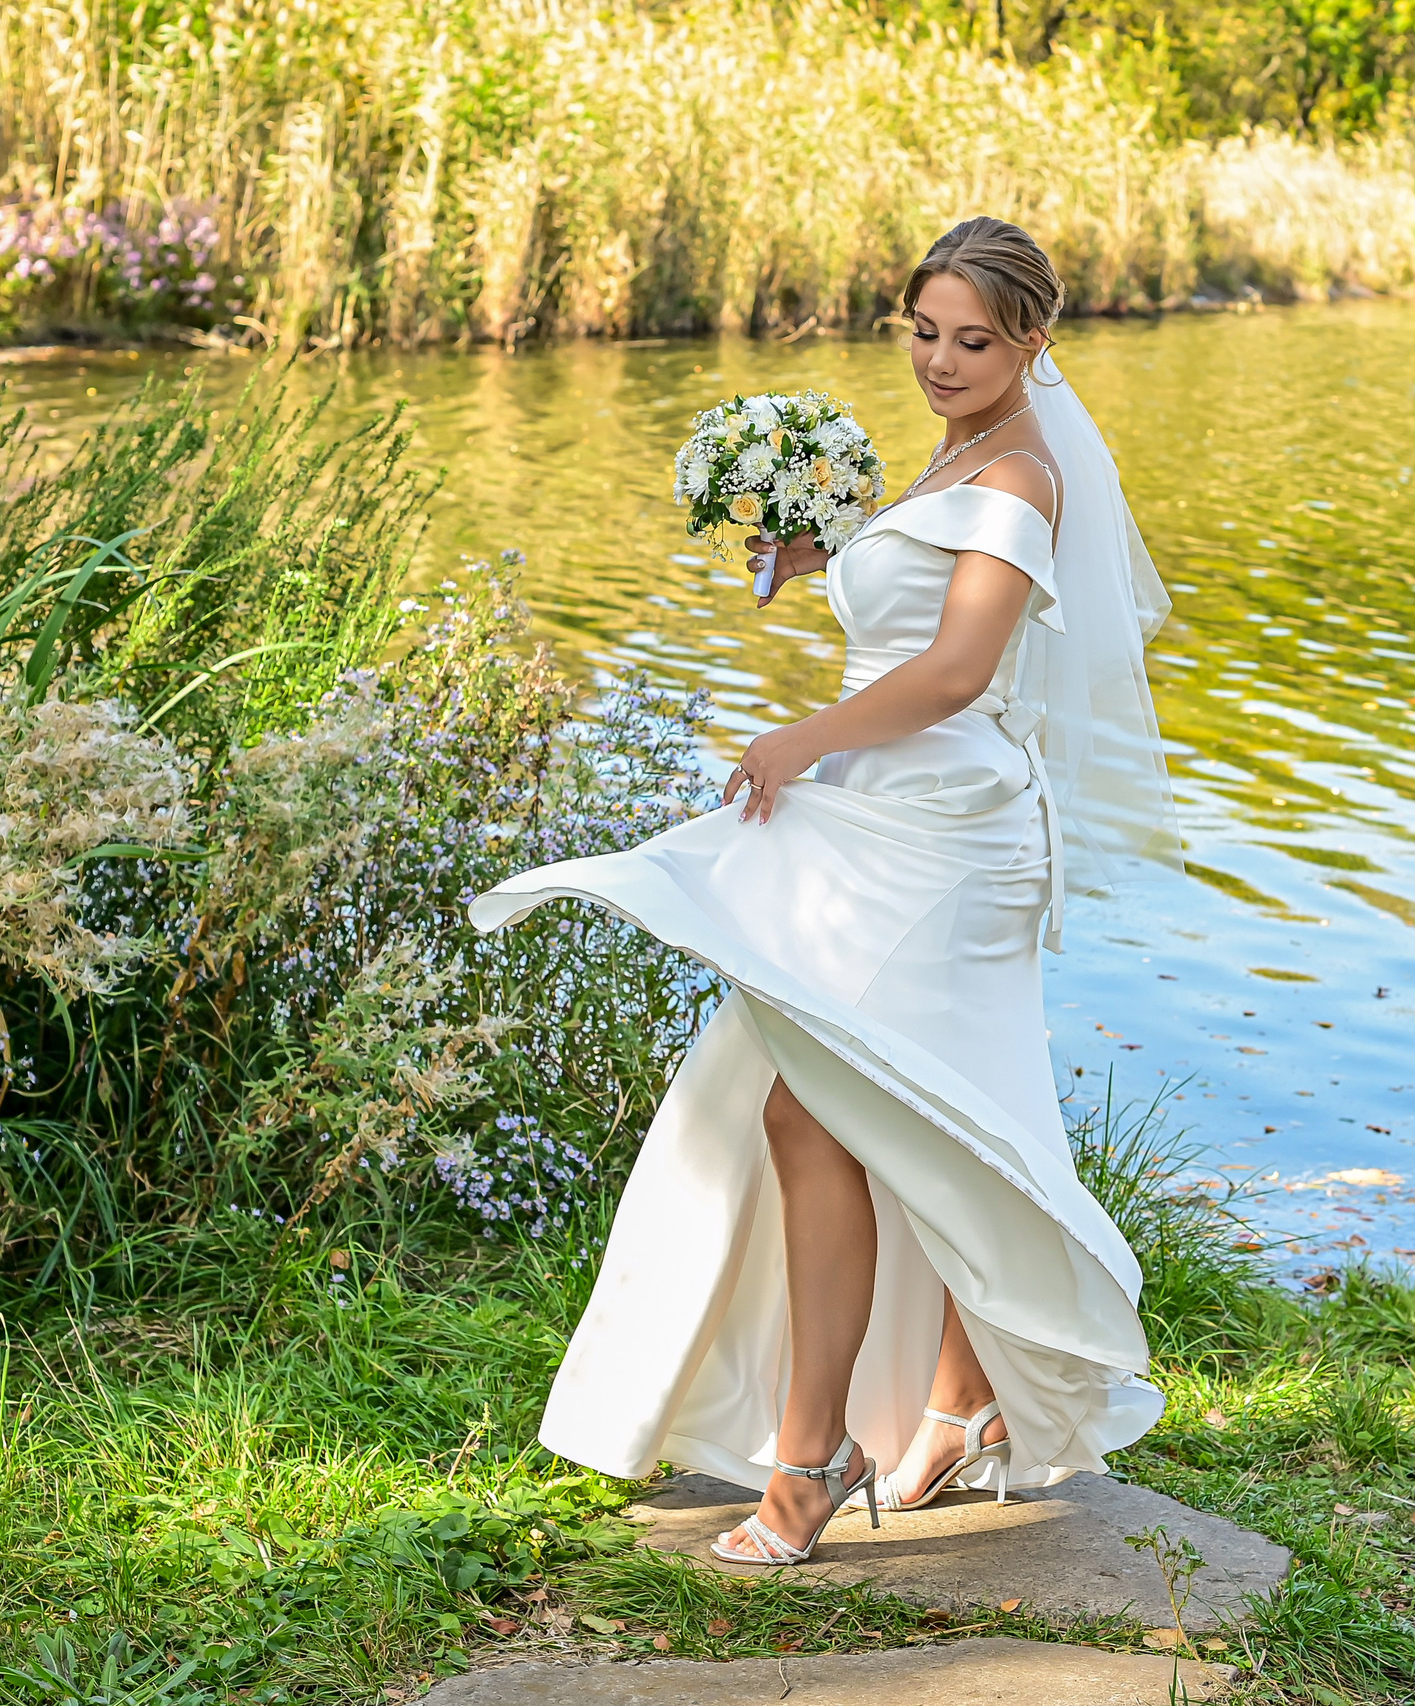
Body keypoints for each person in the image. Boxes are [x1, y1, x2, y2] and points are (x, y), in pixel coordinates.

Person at [468, 215, 1182, 1566]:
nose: (942, 359)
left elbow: (962, 666)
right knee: (903, 1114)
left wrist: (804, 735)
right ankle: (953, 1404)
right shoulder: (959, 451)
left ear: (1037, 339)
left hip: (953, 834)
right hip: (889, 816)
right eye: (924, 332)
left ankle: (813, 1461)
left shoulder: (1023, 472)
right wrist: (820, 561)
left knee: (837, 1106)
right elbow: (919, 592)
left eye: (975, 339)